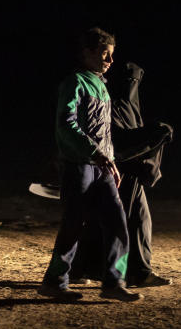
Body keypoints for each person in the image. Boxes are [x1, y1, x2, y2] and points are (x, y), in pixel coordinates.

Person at [38, 27, 142, 303]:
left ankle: (113, 282)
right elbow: (66, 123)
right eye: (104, 54)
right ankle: (54, 281)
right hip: (79, 165)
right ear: (87, 52)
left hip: (101, 167)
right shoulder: (75, 82)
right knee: (74, 223)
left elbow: (103, 131)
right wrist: (94, 153)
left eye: (111, 55)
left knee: (118, 222)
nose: (109, 60)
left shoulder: (102, 86)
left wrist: (109, 160)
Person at [70, 61, 174, 287]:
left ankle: (86, 269)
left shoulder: (124, 105)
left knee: (121, 222)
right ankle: (131, 274)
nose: (132, 87)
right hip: (113, 170)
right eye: (130, 82)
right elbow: (118, 140)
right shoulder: (111, 103)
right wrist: (156, 133)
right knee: (122, 223)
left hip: (124, 171)